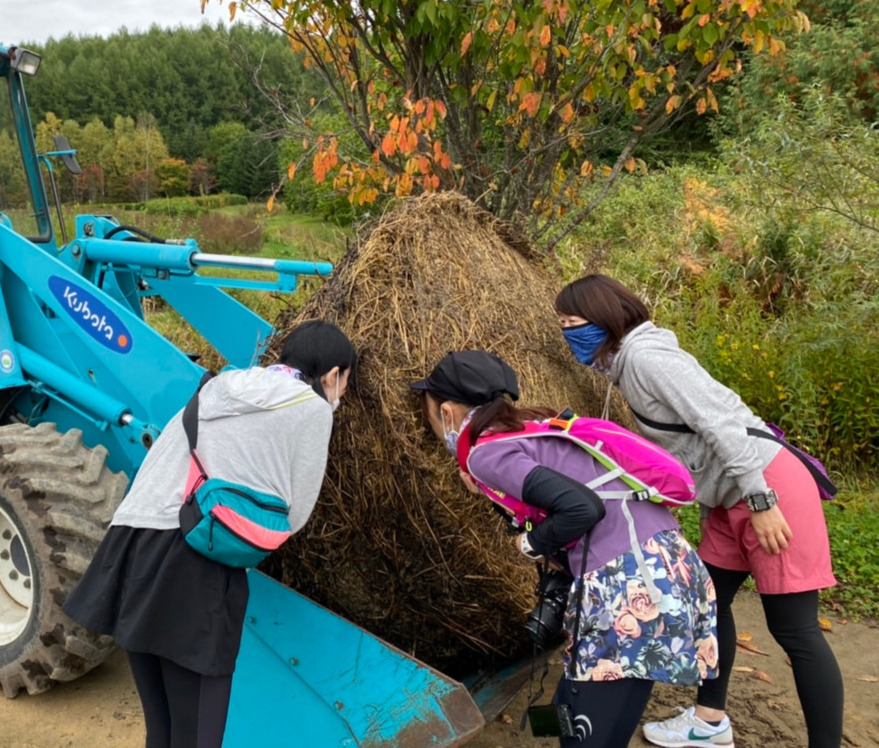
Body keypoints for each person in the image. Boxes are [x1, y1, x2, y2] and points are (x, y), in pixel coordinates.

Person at [555, 273, 843, 748]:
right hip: (728, 498)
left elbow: (721, 420)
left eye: (572, 323)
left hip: (765, 485)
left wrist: (762, 501)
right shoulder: (625, 364)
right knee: (709, 604)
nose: (568, 334)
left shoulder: (648, 358)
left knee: (795, 630)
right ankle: (710, 721)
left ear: (603, 318)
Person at [63, 320, 357, 748]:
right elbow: (297, 514)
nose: (342, 394)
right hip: (195, 557)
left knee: (162, 731)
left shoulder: (222, 384)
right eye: (345, 383)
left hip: (132, 543)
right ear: (332, 375)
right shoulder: (312, 408)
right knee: (198, 736)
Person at [412, 350, 717, 748]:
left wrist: (530, 544)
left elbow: (581, 507)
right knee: (579, 711)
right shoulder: (529, 430)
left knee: (584, 734)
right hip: (665, 566)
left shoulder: (487, 453)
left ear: (448, 411)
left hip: (627, 584)